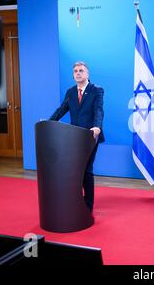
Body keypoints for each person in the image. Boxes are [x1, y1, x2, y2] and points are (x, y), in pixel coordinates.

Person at [49, 61, 104, 213]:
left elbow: (99, 110)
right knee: (75, 169)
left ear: (87, 74)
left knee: (86, 169)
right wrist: (48, 123)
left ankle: (88, 206)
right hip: (73, 137)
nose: (78, 73)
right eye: (75, 71)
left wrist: (97, 127)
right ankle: (76, 200)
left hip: (90, 136)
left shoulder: (96, 90)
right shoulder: (70, 92)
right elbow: (61, 110)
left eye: (81, 70)